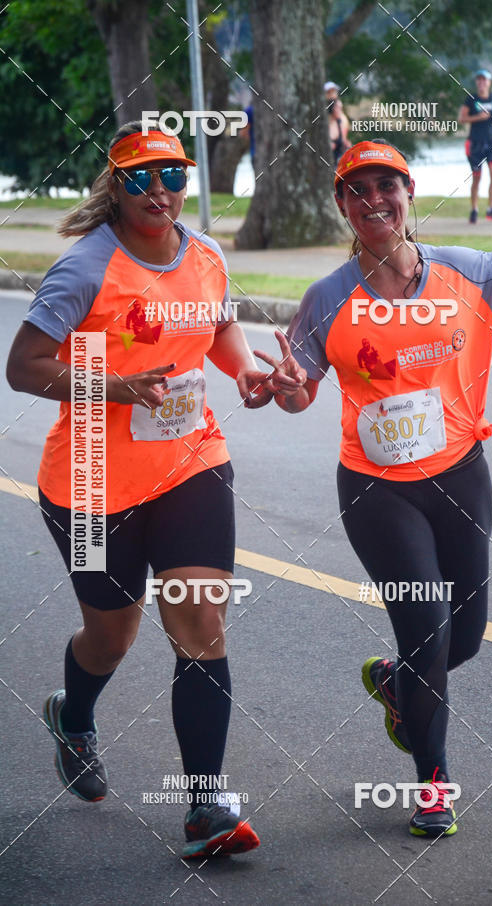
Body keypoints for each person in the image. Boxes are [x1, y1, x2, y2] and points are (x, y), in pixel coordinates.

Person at [253, 139, 492, 838]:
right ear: (342, 205)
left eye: (386, 187)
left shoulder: (471, 272)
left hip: (461, 476)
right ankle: (432, 782)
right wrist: (282, 389)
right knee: (427, 628)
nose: (374, 201)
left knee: (466, 636)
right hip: (376, 490)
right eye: (357, 191)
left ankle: (398, 684)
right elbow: (299, 391)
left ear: (408, 194)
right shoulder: (329, 298)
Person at [5, 121, 278, 859]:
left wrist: (247, 370)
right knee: (112, 633)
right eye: (140, 177)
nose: (159, 190)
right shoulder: (86, 269)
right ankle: (75, 713)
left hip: (190, 464)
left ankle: (205, 807)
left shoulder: (207, 255)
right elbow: (24, 367)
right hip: (90, 478)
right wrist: (117, 385)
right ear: (116, 186)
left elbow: (217, 327)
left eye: (172, 175)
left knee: (200, 624)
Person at [459, 69, 492, 223]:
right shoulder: (471, 99)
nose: (481, 82)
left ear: (489, 82)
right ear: (476, 82)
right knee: (477, 178)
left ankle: (490, 209)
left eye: (484, 80)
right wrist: (478, 117)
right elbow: (462, 118)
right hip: (475, 143)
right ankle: (474, 209)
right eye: (479, 80)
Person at [329, 97, 351, 165]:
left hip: (337, 163)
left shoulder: (340, 122)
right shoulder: (323, 125)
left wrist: (347, 144)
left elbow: (344, 141)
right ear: (332, 108)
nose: (341, 111)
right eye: (338, 108)